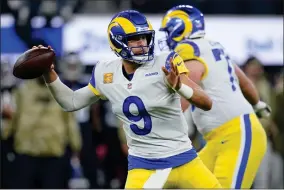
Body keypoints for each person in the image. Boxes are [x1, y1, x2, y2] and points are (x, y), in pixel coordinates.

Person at [34, 10, 221, 188]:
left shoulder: (165, 63)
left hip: (185, 160)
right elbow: (71, 102)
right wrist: (48, 74)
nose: (141, 43)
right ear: (118, 42)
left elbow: (207, 103)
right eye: (134, 39)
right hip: (144, 167)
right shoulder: (105, 72)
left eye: (144, 37)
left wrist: (180, 86)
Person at [159, 5, 271, 189]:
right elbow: (245, 83)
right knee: (178, 182)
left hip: (237, 134)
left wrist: (163, 127)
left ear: (180, 28)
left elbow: (187, 90)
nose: (167, 37)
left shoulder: (188, 49)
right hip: (219, 139)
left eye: (169, 31)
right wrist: (258, 105)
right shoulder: (213, 47)